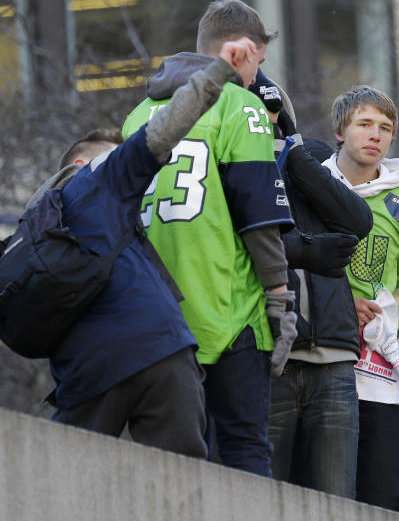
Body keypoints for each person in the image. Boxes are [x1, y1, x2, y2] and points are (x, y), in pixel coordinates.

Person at [41, 40, 259, 458]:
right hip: (160, 350)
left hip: (85, 370)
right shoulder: (102, 182)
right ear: (85, 165)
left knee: (69, 472)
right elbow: (162, 131)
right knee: (185, 486)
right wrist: (217, 72)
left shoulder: (34, 224)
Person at [122, 0, 296, 476]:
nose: (259, 78)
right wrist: (280, 299)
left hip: (155, 310)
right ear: (244, 52)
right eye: (259, 64)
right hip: (228, 307)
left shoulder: (138, 114)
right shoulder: (242, 105)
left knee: (175, 455)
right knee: (243, 446)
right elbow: (258, 214)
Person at [248, 70, 371, 499]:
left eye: (274, 113)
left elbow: (358, 222)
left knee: (336, 500)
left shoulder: (314, 159)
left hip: (333, 359)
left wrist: (294, 152)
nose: (266, 120)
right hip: (269, 355)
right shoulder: (231, 165)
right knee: (264, 495)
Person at [323, 84, 399, 511]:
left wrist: (387, 336)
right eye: (364, 124)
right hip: (313, 355)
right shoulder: (307, 184)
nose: (375, 135)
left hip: (374, 367)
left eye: (385, 128)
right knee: (324, 485)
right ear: (340, 129)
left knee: (381, 490)